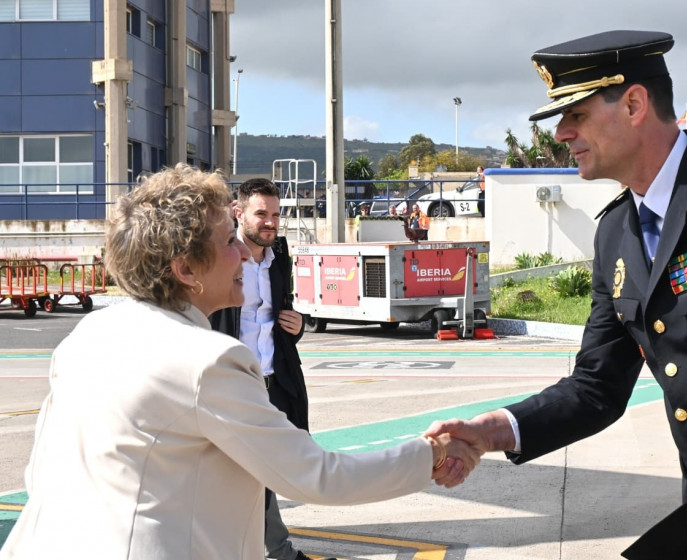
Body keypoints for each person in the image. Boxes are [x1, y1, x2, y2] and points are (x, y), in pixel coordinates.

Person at [427, 30, 687, 559]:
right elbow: (596, 387)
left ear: (633, 104)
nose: (561, 132)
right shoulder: (615, 234)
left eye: (575, 114)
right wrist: (496, 431)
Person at [0, 164, 478, 559]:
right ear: (186, 270)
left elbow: (41, 472)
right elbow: (315, 476)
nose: (245, 258)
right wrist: (432, 453)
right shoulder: (207, 360)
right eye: (231, 242)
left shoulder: (88, 335)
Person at [208, 178, 309, 560]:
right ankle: (275, 550)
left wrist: (297, 326)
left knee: (271, 468)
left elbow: (276, 317)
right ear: (239, 213)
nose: (270, 222)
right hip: (235, 384)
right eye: (261, 214)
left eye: (276, 215)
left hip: (276, 382)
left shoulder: (278, 255)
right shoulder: (220, 255)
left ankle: (266, 548)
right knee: (244, 470)